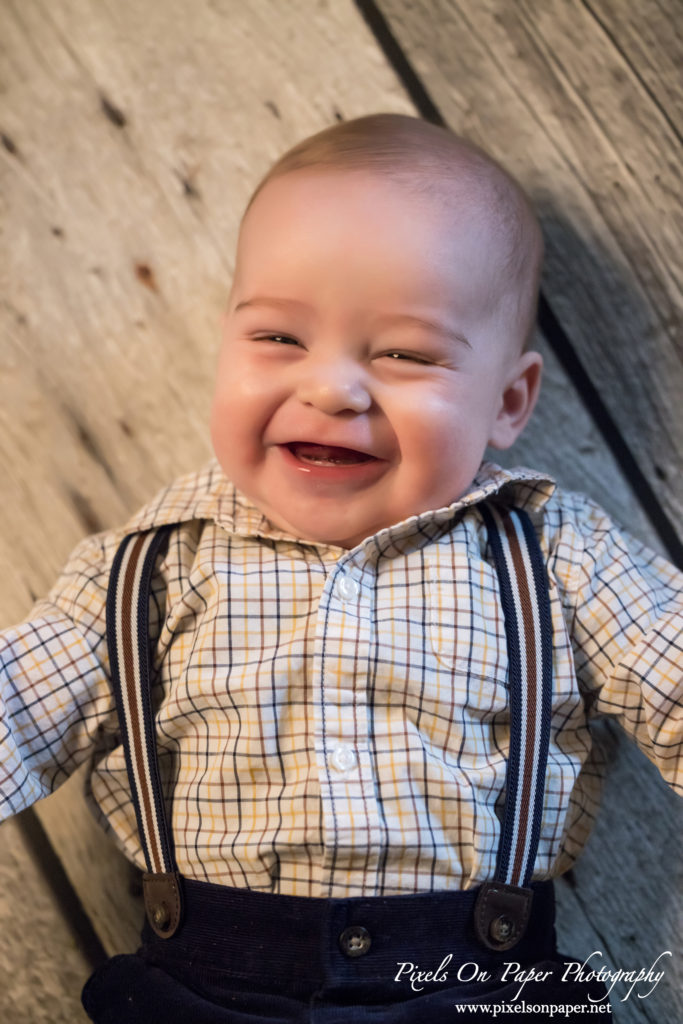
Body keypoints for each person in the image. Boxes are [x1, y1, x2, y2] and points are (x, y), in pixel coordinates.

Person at [1, 113, 680, 1022]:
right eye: (279, 339)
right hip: (200, 990)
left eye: (404, 353)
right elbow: (17, 702)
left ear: (507, 401)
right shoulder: (151, 566)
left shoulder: (552, 550)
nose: (331, 388)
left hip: (475, 987)